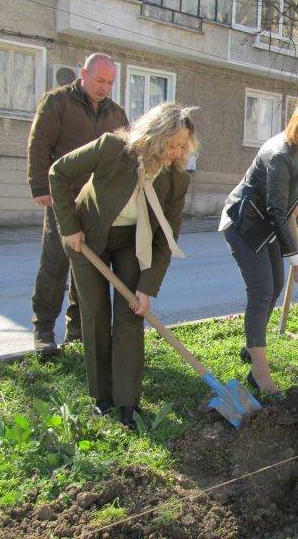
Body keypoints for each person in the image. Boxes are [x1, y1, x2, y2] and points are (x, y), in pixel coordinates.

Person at [49, 102, 195, 429]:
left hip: (133, 242)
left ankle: (127, 402)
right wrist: (70, 226)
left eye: (183, 146)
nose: (175, 152)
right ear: (154, 136)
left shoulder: (176, 181)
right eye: (170, 144)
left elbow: (166, 239)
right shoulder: (112, 148)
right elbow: (58, 173)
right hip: (88, 237)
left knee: (130, 314)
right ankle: (102, 397)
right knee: (96, 313)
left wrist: (146, 288)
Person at [219, 94, 298, 397]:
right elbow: (275, 211)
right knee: (261, 291)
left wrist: (296, 204)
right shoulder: (279, 155)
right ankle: (259, 372)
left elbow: (289, 198)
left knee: (273, 286)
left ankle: (253, 345)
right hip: (245, 225)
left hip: (270, 223)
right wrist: (297, 261)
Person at [27, 53, 128, 356]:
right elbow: (39, 143)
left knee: (87, 271)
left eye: (110, 82)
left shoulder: (117, 114)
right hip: (63, 200)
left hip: (97, 207)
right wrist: (40, 186)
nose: (104, 88)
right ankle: (44, 331)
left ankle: (77, 331)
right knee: (55, 266)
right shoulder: (57, 102)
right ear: (83, 73)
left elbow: (125, 154)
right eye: (100, 80)